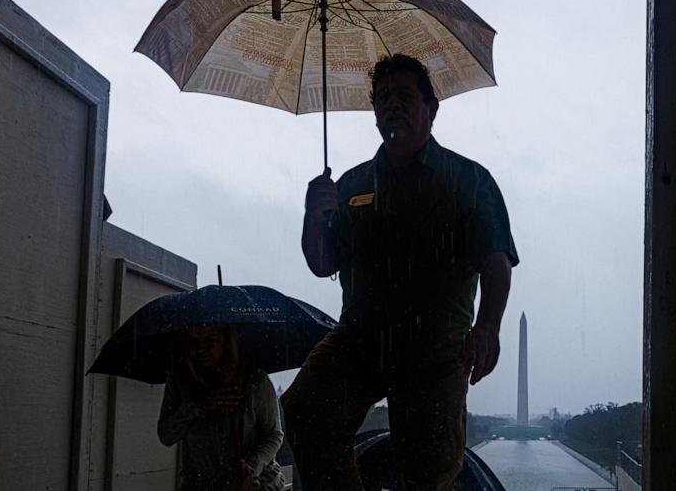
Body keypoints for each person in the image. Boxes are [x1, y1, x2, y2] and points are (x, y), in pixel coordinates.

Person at [282, 53, 519, 490]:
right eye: (383, 98)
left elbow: (497, 259)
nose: (392, 105)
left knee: (427, 475)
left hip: (435, 355)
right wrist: (313, 216)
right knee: (304, 410)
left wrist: (487, 328)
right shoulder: (351, 185)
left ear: (432, 107)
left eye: (404, 96)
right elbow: (321, 263)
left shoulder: (469, 180)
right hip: (359, 342)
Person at [158, 324, 286, 491]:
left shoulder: (254, 381)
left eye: (210, 341)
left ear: (226, 342)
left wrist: (251, 468)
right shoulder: (179, 382)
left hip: (256, 486)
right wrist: (194, 406)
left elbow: (273, 434)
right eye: (194, 342)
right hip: (200, 485)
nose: (201, 349)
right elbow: (166, 435)